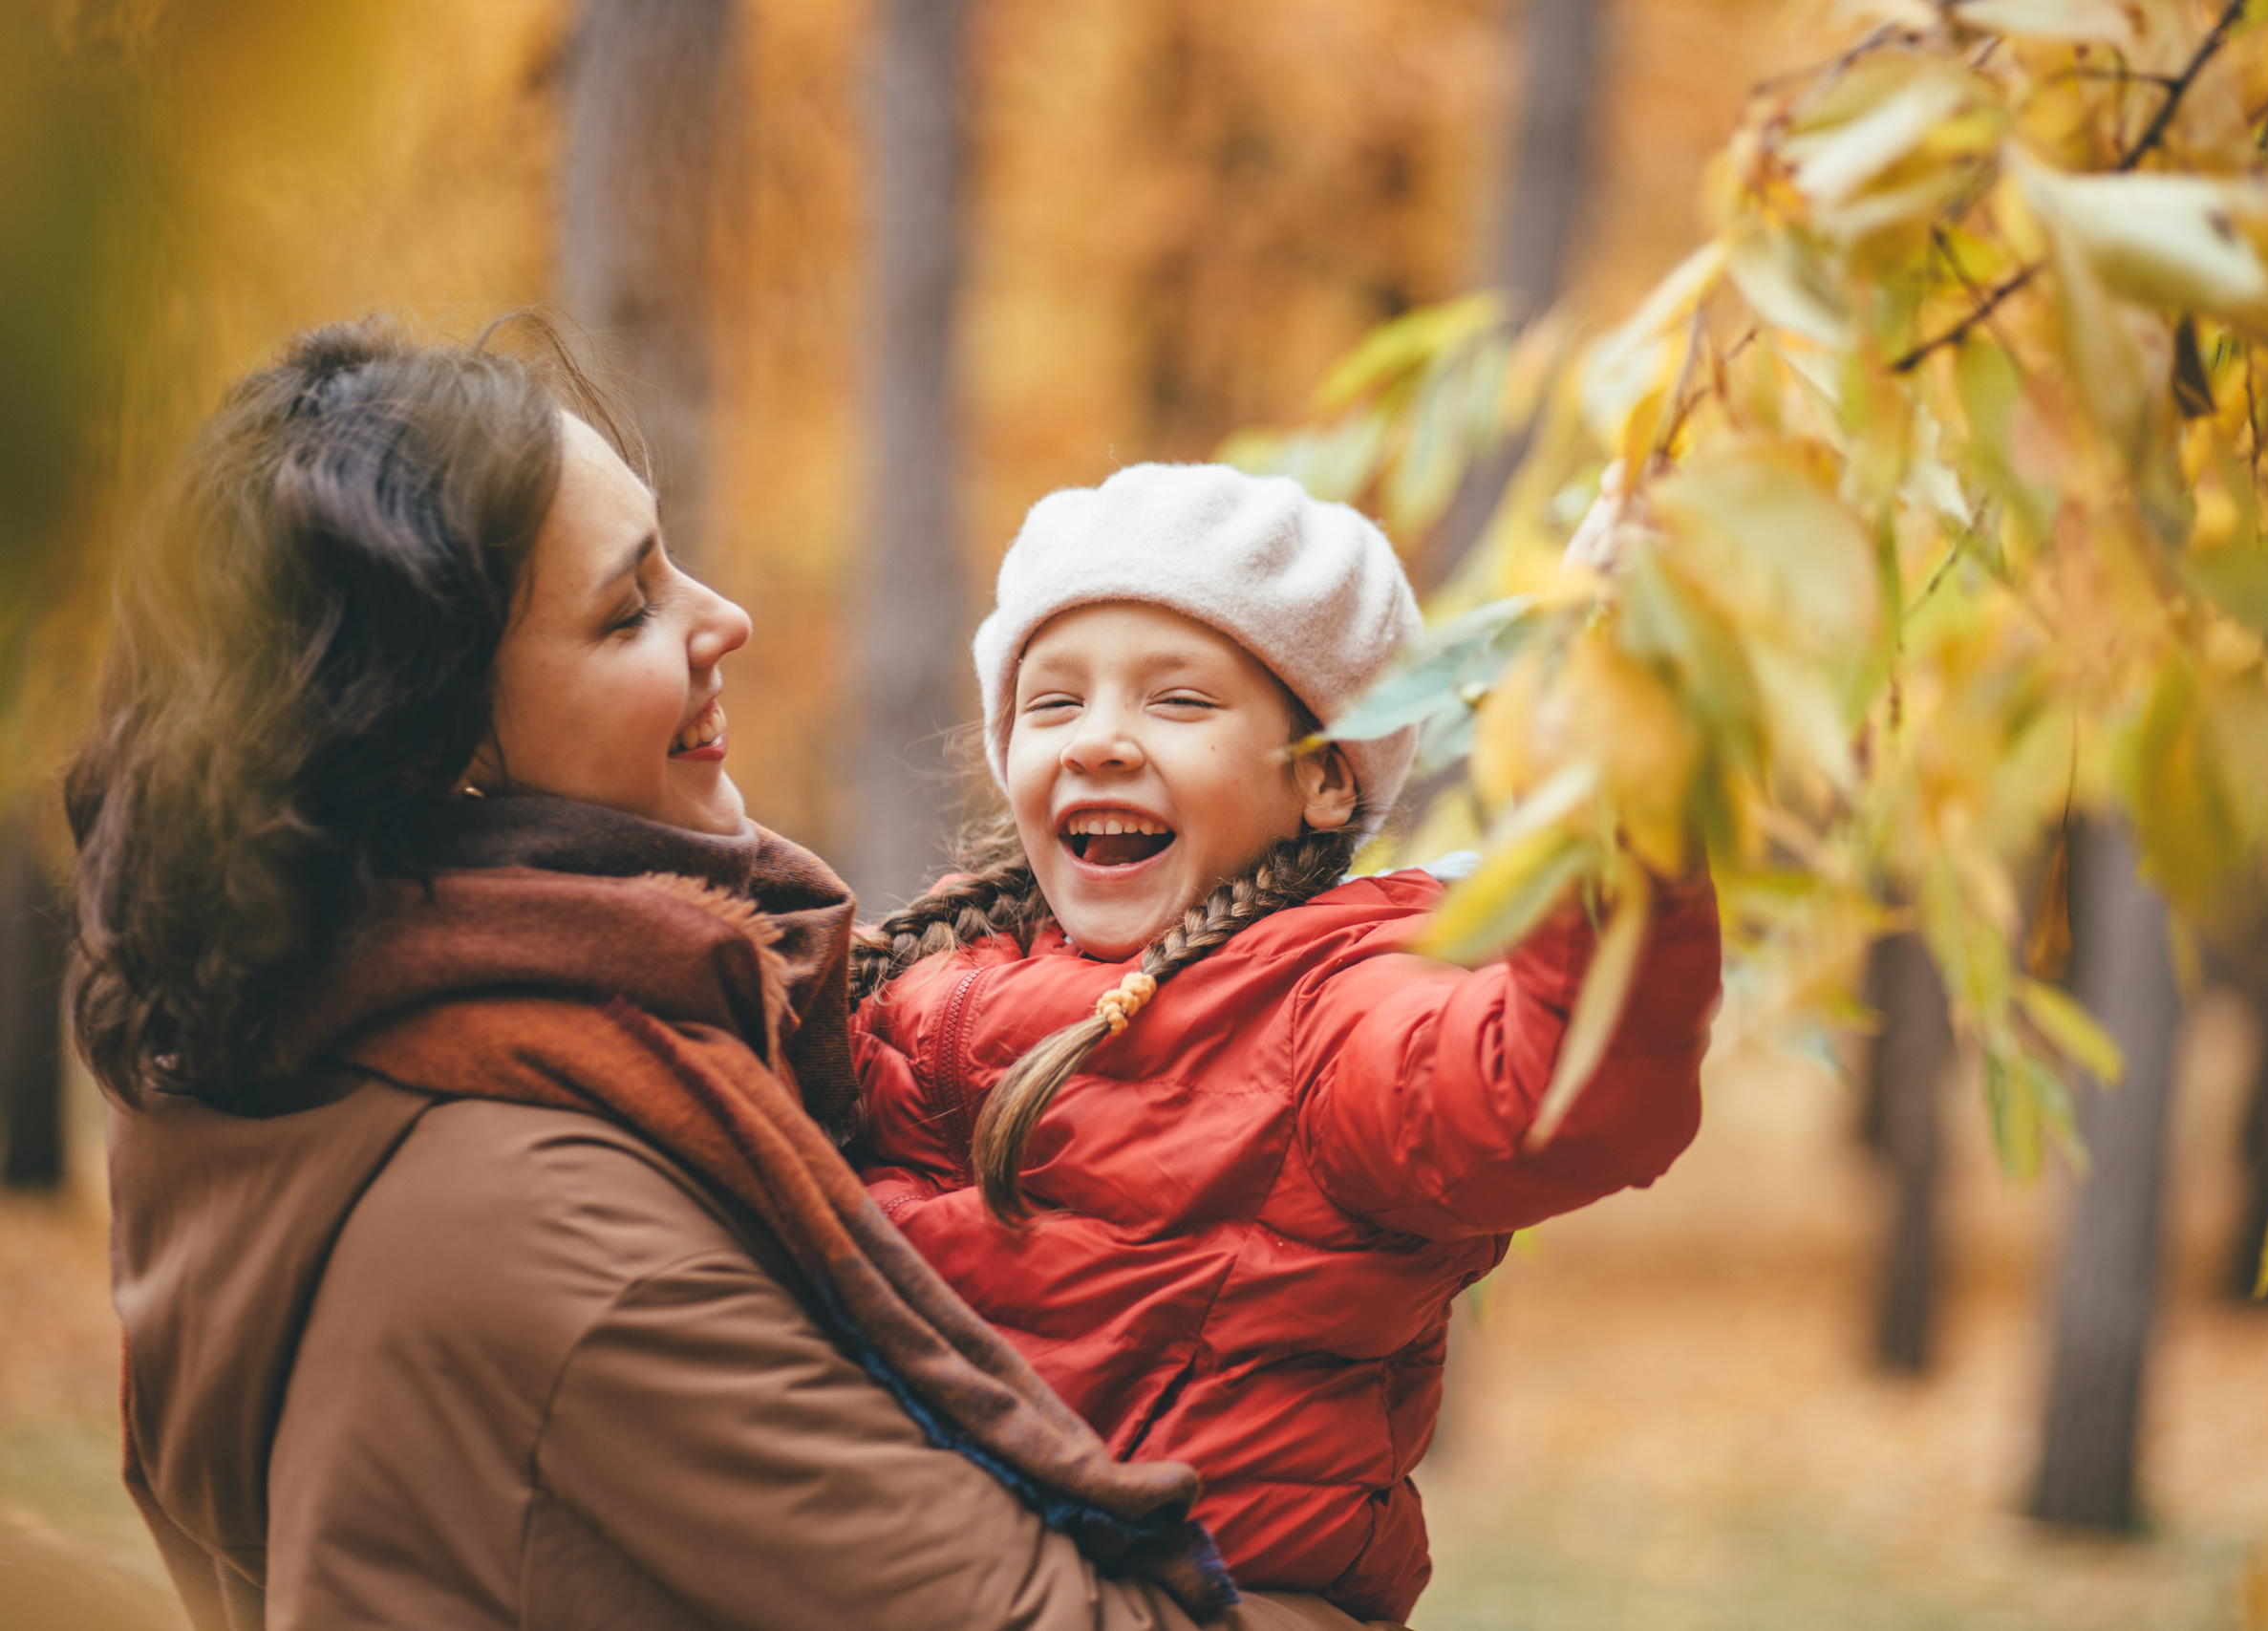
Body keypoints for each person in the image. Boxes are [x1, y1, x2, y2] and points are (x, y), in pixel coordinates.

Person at [67, 320, 1368, 1631]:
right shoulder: (552, 1224)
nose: (724, 617)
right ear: (441, 756)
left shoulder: (299, 1054)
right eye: (627, 607)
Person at [849, 463, 1724, 1624]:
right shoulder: (926, 977)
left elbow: (1555, 1087)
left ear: (1321, 779)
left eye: (1178, 702)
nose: (1098, 741)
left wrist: (1612, 774)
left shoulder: (1332, 1013)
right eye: (1054, 703)